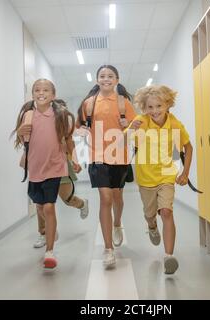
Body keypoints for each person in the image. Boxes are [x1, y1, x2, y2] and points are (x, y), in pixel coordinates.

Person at [125, 85, 193, 274]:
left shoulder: (174, 123)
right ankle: (151, 225)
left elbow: (188, 147)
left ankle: (169, 257)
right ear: (144, 108)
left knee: (167, 212)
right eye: (150, 107)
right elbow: (122, 142)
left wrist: (185, 173)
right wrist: (131, 129)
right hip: (146, 177)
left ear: (167, 104)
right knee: (150, 213)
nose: (154, 111)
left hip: (166, 175)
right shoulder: (141, 121)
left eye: (158, 106)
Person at [76, 65, 136, 269]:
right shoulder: (89, 103)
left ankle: (117, 222)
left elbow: (135, 127)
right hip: (97, 157)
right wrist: (81, 131)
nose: (106, 79)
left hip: (119, 157)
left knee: (117, 198)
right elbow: (81, 125)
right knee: (106, 198)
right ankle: (108, 249)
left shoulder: (124, 103)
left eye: (110, 76)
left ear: (117, 80)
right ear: (97, 80)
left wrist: (129, 125)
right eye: (102, 76)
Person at [13, 79, 76, 269]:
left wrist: (73, 160)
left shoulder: (60, 115)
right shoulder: (28, 115)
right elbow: (23, 138)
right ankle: (50, 230)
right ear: (32, 94)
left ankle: (50, 252)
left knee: (49, 207)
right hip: (35, 169)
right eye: (37, 90)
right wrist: (19, 132)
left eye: (45, 89)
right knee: (40, 207)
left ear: (53, 95)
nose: (41, 92)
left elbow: (67, 139)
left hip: (55, 167)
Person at [18, 99, 89, 249]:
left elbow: (70, 142)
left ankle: (82, 204)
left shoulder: (62, 123)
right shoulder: (36, 119)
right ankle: (44, 233)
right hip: (40, 167)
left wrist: (75, 160)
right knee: (40, 204)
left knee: (67, 199)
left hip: (59, 165)